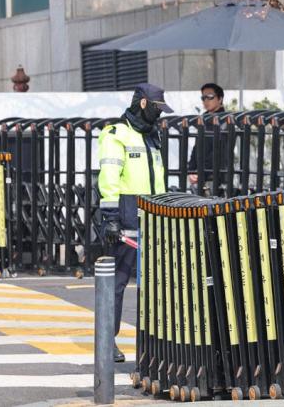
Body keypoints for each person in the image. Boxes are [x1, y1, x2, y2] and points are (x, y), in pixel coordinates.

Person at [97, 83, 172, 362]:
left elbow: (158, 180)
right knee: (115, 285)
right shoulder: (116, 135)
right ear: (143, 104)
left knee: (154, 285)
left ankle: (153, 345)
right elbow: (109, 180)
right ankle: (107, 341)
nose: (160, 115)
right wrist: (111, 218)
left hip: (153, 220)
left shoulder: (152, 136)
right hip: (125, 223)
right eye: (156, 108)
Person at [188, 83, 227, 191]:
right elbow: (197, 147)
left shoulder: (226, 121)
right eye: (203, 97)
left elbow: (219, 151)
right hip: (201, 176)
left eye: (209, 97)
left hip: (218, 176)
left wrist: (201, 173)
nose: (205, 100)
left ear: (220, 99)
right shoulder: (203, 119)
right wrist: (191, 170)